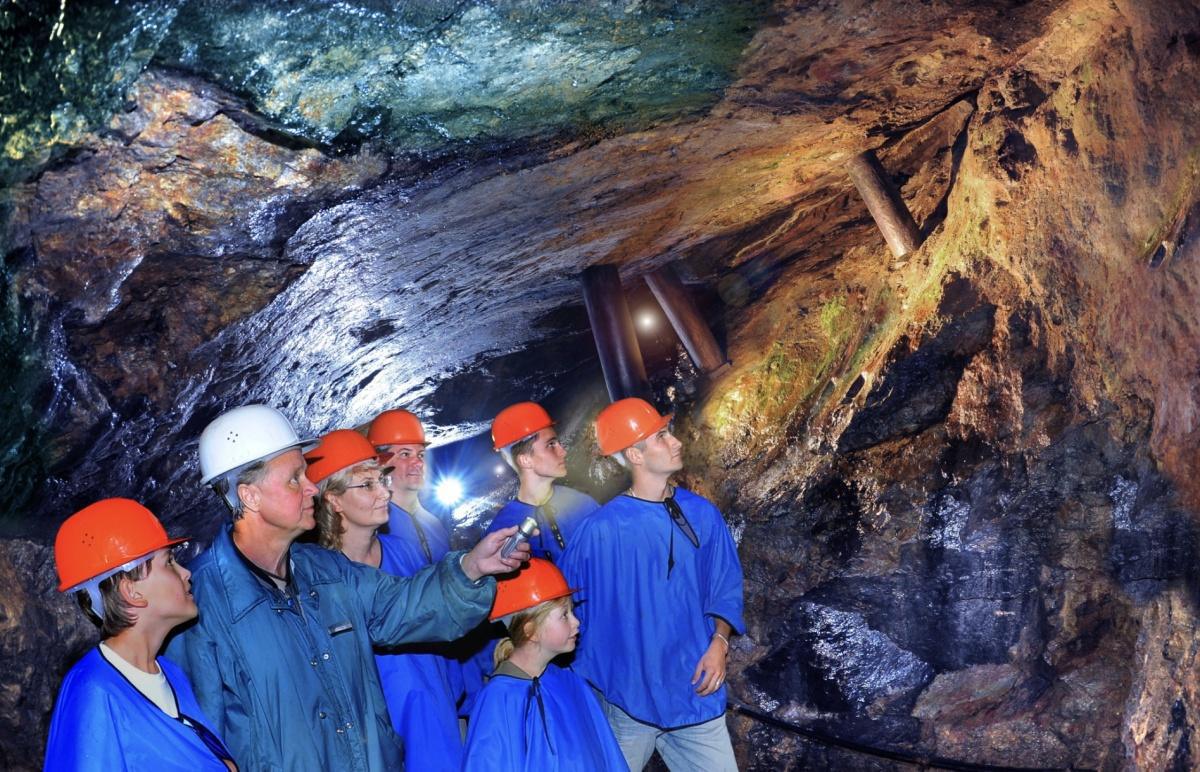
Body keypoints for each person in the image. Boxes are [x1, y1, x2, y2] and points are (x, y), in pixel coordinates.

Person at [166, 404, 530, 771]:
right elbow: (201, 744)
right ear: (250, 496)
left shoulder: (326, 572)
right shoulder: (202, 607)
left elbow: (402, 606)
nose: (312, 488)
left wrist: (470, 568)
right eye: (295, 479)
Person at [560, 398, 745, 772]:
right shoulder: (600, 531)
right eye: (661, 436)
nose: (675, 441)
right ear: (635, 454)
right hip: (628, 700)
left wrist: (720, 643)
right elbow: (563, 607)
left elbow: (725, 585)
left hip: (694, 691)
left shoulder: (702, 514)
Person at [308, 429, 464, 772]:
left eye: (382, 479)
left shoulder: (404, 553)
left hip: (432, 715)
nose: (384, 492)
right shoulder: (316, 581)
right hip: (372, 737)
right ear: (333, 500)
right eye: (367, 485)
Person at [46, 498, 236, 771]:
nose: (185, 573)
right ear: (131, 592)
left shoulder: (171, 674)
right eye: (169, 562)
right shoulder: (93, 691)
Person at [463, 558, 628, 772]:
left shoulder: (569, 682)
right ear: (530, 630)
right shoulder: (500, 700)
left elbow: (606, 755)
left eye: (572, 612)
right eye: (564, 615)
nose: (576, 622)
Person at [485, 401, 599, 563]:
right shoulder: (503, 530)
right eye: (551, 445)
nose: (563, 451)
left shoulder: (583, 505)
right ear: (525, 460)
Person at [367, 409, 450, 566]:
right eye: (405, 454)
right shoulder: (370, 525)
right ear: (381, 462)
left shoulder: (435, 524)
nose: (418, 463)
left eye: (420, 455)